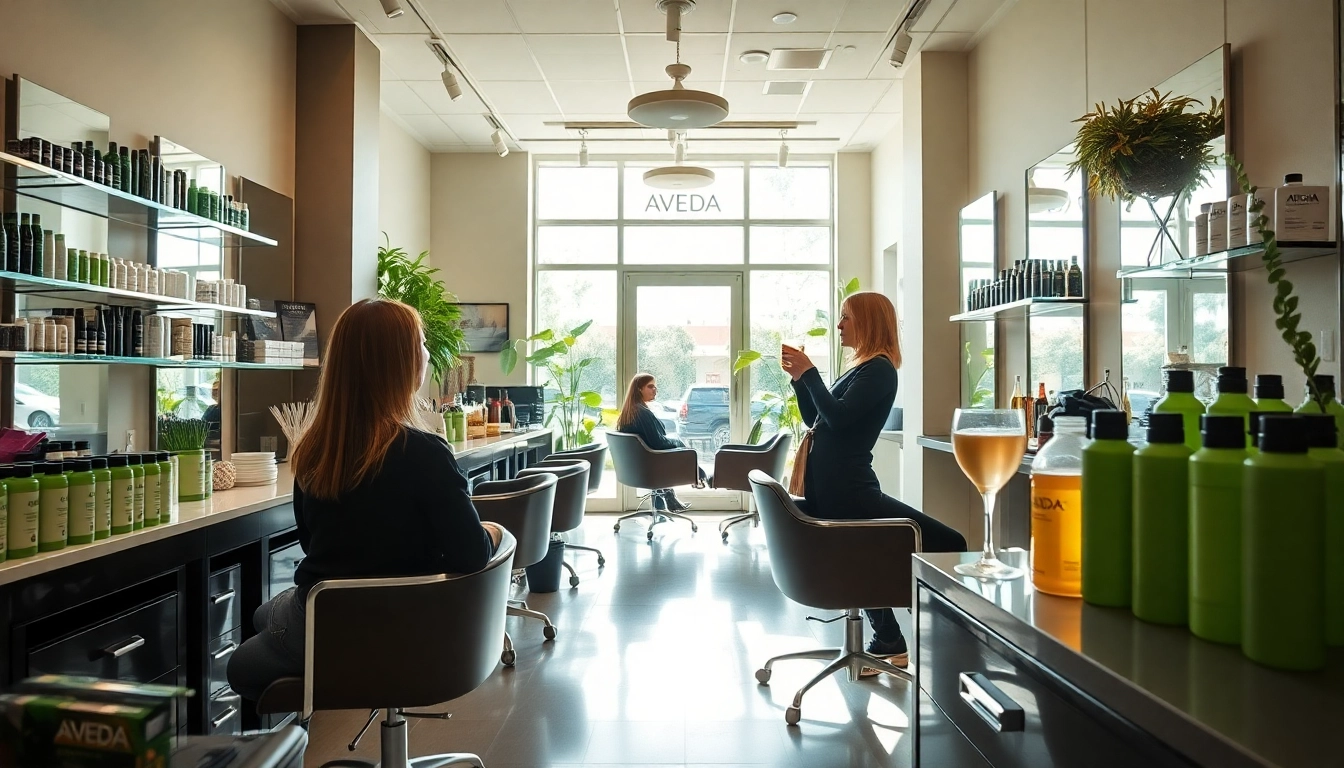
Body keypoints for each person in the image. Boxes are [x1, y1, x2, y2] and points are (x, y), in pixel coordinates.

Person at [227, 298, 504, 701]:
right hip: (413, 627)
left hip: (333, 620)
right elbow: (471, 555)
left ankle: (293, 740)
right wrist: (493, 531)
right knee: (266, 617)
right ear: (403, 363)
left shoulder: (313, 451)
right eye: (422, 345)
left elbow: (310, 544)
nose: (427, 354)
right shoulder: (427, 452)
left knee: (260, 626)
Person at [781, 291, 968, 676]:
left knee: (937, 546)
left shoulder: (880, 370)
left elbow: (839, 418)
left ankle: (907, 641)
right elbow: (816, 419)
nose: (839, 326)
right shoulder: (861, 368)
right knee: (938, 545)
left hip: (846, 490)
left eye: (846, 318)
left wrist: (811, 374)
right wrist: (801, 381)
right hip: (841, 490)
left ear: (866, 322)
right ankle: (908, 640)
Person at [616, 373, 707, 512]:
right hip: (649, 466)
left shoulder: (631, 411)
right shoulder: (641, 413)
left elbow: (651, 442)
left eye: (655, 387)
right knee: (683, 450)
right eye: (650, 386)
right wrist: (678, 442)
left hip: (638, 465)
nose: (655, 390)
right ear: (639, 389)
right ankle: (699, 477)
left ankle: (666, 503)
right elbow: (657, 443)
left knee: (669, 451)